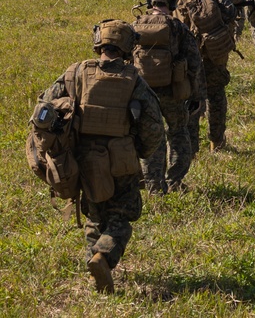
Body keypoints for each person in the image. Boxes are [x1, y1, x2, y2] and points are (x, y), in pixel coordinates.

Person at [31, 20, 164, 294]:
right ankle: (103, 256)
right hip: (121, 161)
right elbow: (153, 127)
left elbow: (44, 107)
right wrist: (138, 150)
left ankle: (95, 267)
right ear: (128, 47)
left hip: (82, 160)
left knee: (93, 213)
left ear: (99, 43)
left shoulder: (77, 72)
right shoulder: (134, 80)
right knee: (122, 214)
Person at [132, 0, 207, 193]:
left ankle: (154, 185)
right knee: (178, 133)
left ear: (149, 1)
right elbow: (195, 63)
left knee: (152, 137)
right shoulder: (178, 28)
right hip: (174, 92)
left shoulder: (135, 26)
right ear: (173, 1)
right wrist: (198, 95)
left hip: (144, 93)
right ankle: (174, 181)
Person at [174, 0, 238, 152]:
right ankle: (216, 141)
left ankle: (192, 146)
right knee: (216, 95)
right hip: (211, 53)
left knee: (191, 99)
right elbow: (231, 12)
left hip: (184, 55)